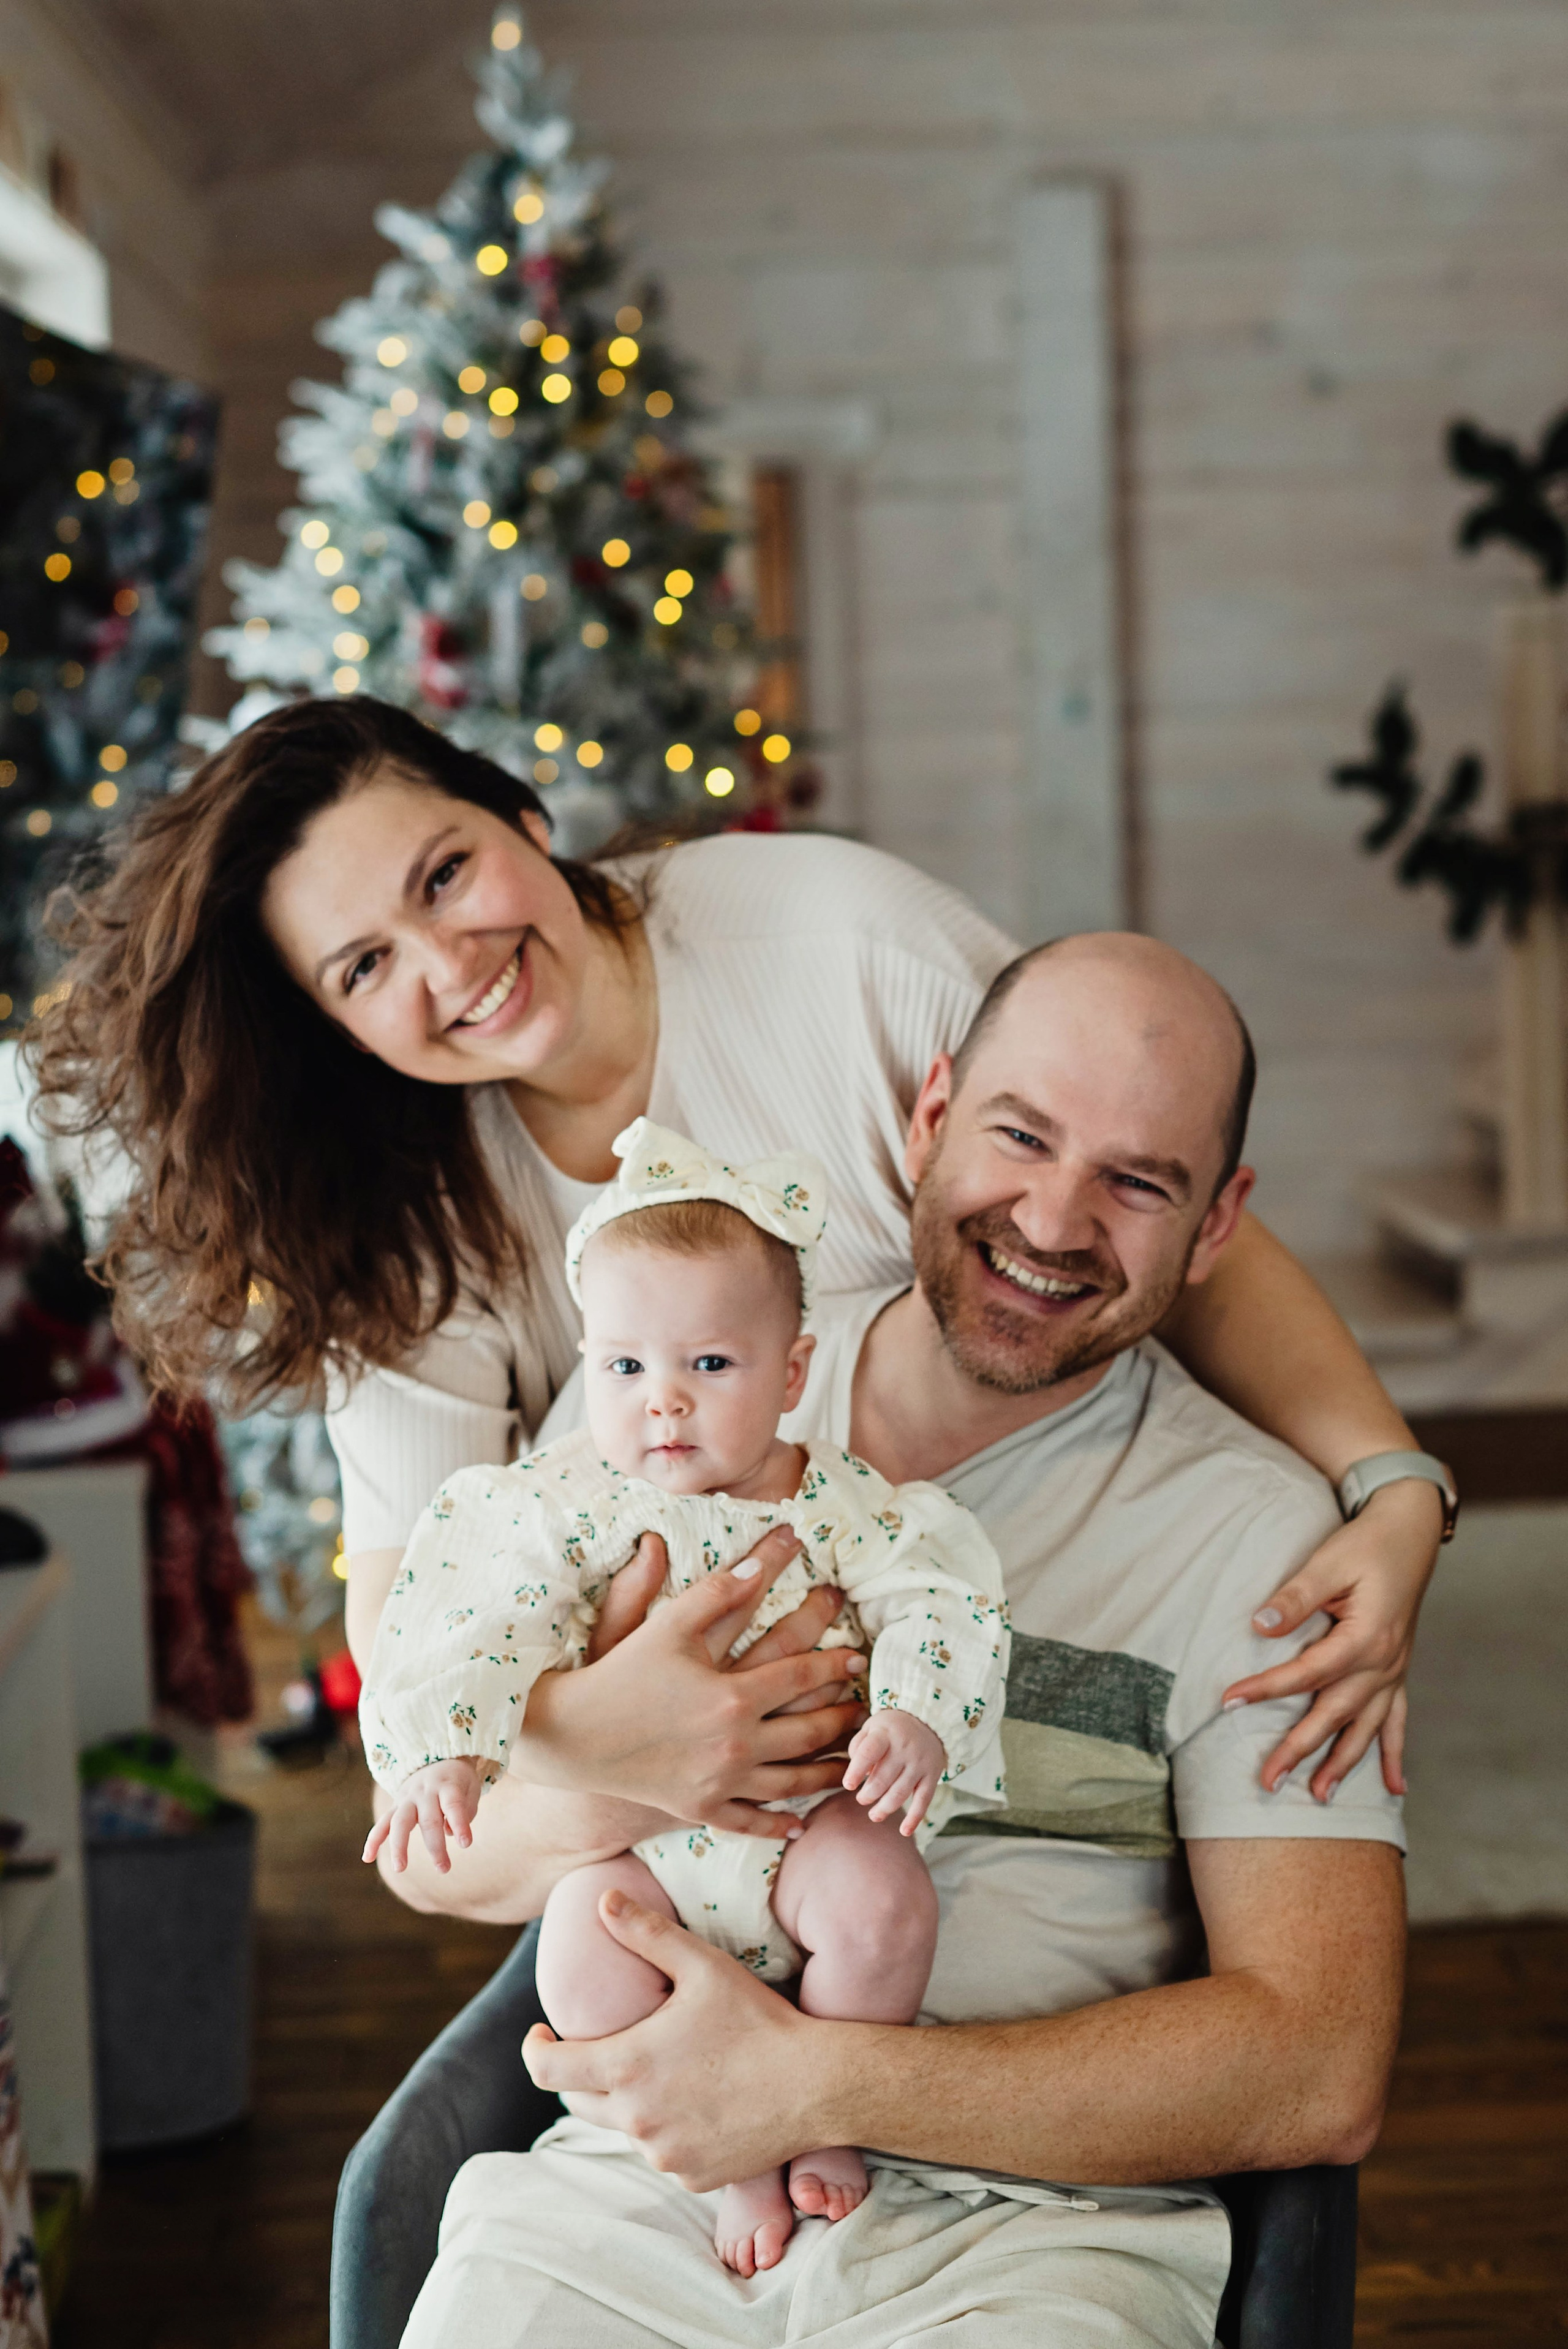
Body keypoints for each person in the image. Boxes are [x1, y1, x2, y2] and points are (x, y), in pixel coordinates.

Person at [28, 697, 1445, 1812]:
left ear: (520, 811)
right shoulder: (396, 1229)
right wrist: (600, 1740)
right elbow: (412, 1634)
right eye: (363, 968)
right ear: (335, 1029)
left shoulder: (833, 944)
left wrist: (1387, 1485)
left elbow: (1133, 1198)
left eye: (446, 872)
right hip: (703, 1787)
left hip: (1039, 1613)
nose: (445, 963)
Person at [396, 930, 1410, 2349]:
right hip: (635, 2184)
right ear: (929, 1118)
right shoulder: (681, 1379)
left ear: (1218, 1222)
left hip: (1031, 2237)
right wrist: (642, 1768)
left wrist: (818, 2085)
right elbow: (447, 1867)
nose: (1054, 1220)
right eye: (1019, 1135)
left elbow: (1318, 2066)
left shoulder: (1269, 1546)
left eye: (1136, 1181)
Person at [360, 1118, 1009, 2274]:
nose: (662, 1404)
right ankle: (730, 2161)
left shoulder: (842, 1502)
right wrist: (447, 1752)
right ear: (590, 1360)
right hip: (640, 1864)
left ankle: (823, 2110)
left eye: (708, 1365)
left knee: (887, 1902)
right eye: (625, 1368)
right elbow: (482, 1626)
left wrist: (913, 1709)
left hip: (804, 1830)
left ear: (793, 1373)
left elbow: (936, 1595)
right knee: (578, 1949)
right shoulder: (562, 1510)